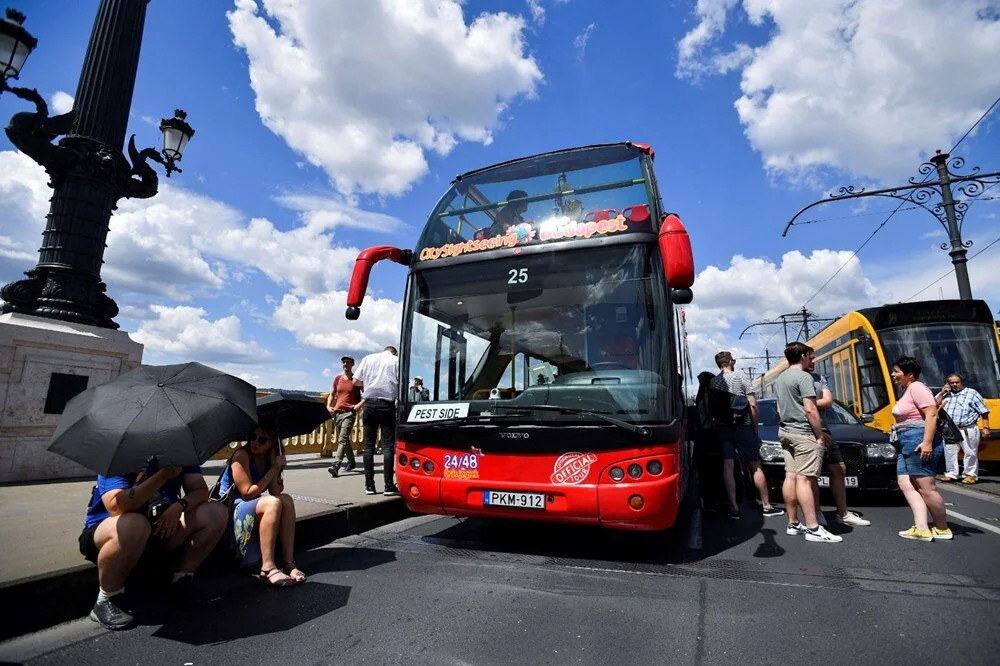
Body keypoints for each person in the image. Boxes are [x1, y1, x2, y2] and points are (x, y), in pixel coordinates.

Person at [79, 462, 227, 629]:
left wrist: (179, 507)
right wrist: (162, 475)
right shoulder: (121, 457)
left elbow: (199, 490)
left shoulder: (179, 454)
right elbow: (116, 506)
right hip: (112, 530)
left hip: (161, 526)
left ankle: (181, 580)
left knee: (215, 512)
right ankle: (107, 597)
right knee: (134, 525)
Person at [217, 426, 307, 586]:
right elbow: (247, 493)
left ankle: (289, 564)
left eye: (262, 440)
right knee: (273, 502)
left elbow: (276, 490)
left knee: (285, 499)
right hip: (231, 509)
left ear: (272, 443)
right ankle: (267, 568)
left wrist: (277, 466)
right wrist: (273, 470)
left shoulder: (267, 458)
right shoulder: (241, 455)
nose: (255, 442)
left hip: (250, 505)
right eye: (252, 437)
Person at [774, 342, 842, 543]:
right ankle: (813, 528)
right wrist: (819, 434)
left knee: (791, 476)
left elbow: (779, 408)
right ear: (803, 355)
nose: (811, 360)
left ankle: (793, 523)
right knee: (806, 479)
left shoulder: (781, 379)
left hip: (786, 432)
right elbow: (811, 409)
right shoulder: (803, 377)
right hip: (804, 434)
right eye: (809, 356)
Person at [708, 351, 784, 520]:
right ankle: (766, 505)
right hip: (743, 426)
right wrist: (755, 427)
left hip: (724, 428)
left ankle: (734, 507)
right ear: (730, 362)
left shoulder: (714, 381)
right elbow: (753, 406)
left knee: (728, 466)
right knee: (755, 465)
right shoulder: (740, 377)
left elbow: (711, 408)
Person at [891, 356, 951, 541]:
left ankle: (942, 528)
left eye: (896, 371)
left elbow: (931, 415)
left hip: (917, 439)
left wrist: (927, 443)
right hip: (905, 442)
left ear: (909, 375)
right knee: (905, 483)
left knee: (926, 488)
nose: (893, 374)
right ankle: (922, 527)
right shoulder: (908, 389)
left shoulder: (917, 388)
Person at [805, 365, 871, 527]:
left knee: (839, 468)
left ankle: (843, 513)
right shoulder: (796, 378)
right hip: (806, 430)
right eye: (810, 357)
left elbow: (828, 401)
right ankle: (816, 513)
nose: (813, 361)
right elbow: (800, 407)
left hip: (825, 429)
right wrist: (811, 404)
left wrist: (811, 403)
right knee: (811, 474)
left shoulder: (819, 378)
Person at [354, 345, 400, 496]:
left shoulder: (368, 358)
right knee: (387, 446)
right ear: (394, 352)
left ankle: (369, 486)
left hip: (369, 404)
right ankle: (388, 486)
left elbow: (355, 381)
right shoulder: (396, 360)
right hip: (387, 404)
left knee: (369, 447)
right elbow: (401, 383)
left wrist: (368, 386)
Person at [935, 372, 990, 484]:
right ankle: (951, 474)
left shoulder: (972, 393)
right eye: (951, 383)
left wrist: (986, 427)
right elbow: (933, 405)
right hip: (950, 428)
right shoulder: (946, 394)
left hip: (967, 428)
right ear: (947, 383)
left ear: (961, 382)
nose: (954, 384)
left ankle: (970, 475)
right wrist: (942, 393)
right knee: (950, 452)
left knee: (970, 452)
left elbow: (984, 411)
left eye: (957, 382)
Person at [327, 356, 362, 478]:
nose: (345, 364)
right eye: (344, 362)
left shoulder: (356, 380)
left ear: (353, 364)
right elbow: (331, 394)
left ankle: (336, 465)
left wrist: (358, 405)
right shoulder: (338, 379)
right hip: (337, 412)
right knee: (344, 440)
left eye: (348, 362)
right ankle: (352, 462)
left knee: (342, 439)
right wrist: (328, 405)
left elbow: (367, 393)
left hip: (349, 413)